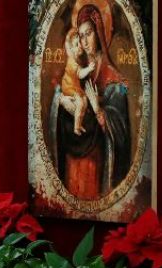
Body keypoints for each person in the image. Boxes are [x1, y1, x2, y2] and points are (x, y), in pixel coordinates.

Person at [51, 1, 131, 200]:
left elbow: (121, 135)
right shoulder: (77, 69)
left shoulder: (114, 80)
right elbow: (63, 95)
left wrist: (98, 110)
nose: (84, 41)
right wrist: (60, 102)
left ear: (100, 33)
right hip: (72, 162)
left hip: (97, 163)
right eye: (81, 35)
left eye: (89, 34)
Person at [60, 27, 95, 136]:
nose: (80, 46)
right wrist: (89, 69)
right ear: (71, 48)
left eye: (79, 43)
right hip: (69, 86)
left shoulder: (77, 60)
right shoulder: (71, 61)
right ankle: (76, 127)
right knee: (80, 103)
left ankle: (79, 123)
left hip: (75, 86)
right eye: (77, 45)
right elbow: (79, 74)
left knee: (84, 100)